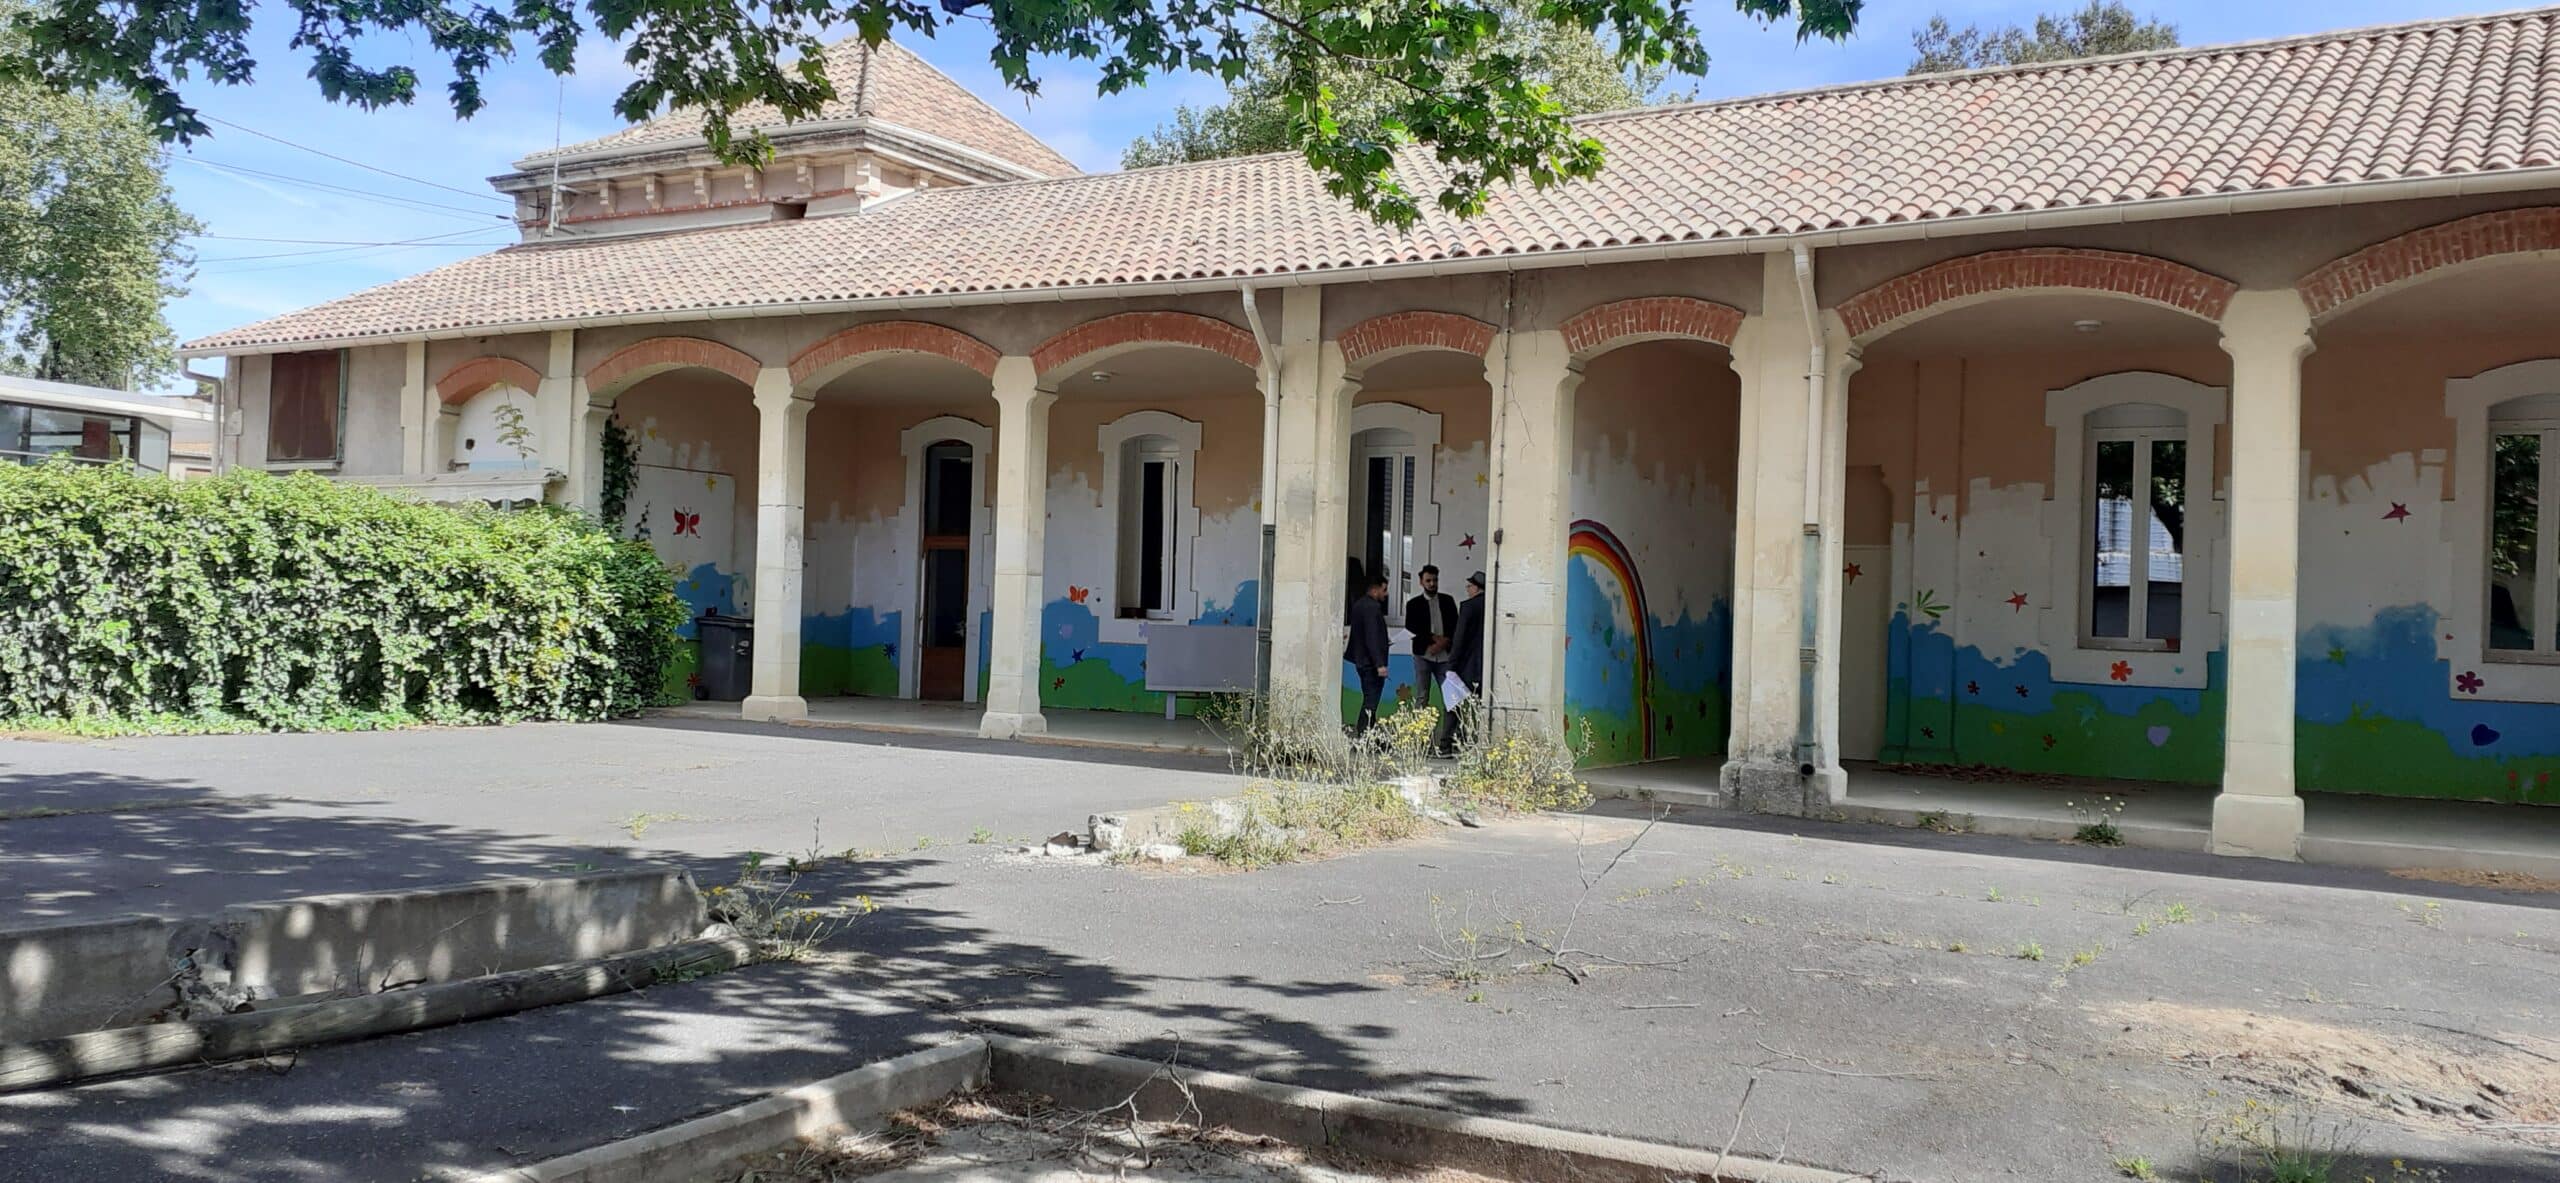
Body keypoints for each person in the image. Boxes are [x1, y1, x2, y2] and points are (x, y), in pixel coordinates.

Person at [1433, 571, 1488, 756]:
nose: (1467, 589)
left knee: (1453, 704)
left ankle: (1446, 744)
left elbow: (1460, 638)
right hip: (1486, 666)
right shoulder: (1492, 605)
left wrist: (1451, 665)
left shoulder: (1468, 607)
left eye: (1469, 586)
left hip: (1466, 665)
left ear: (1477, 588)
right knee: (1480, 706)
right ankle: (1475, 742)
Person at [1404, 564, 1458, 709]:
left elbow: (1455, 626)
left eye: (1435, 580)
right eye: (1428, 580)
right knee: (1422, 695)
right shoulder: (1413, 604)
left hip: (1445, 656)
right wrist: (1433, 640)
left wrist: (1444, 642)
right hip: (1423, 655)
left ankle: (1451, 725)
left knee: (1450, 695)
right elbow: (1412, 629)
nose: (1432, 584)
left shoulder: (1447, 601)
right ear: (1421, 582)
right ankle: (1420, 724)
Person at [1344, 572, 1392, 737]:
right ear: (1375, 589)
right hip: (1371, 664)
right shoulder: (1372, 607)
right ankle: (1364, 736)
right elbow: (1372, 636)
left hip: (1362, 661)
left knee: (1369, 700)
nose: (1386, 594)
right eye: (1384, 590)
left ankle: (1368, 735)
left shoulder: (1359, 605)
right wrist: (1380, 664)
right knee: (1371, 702)